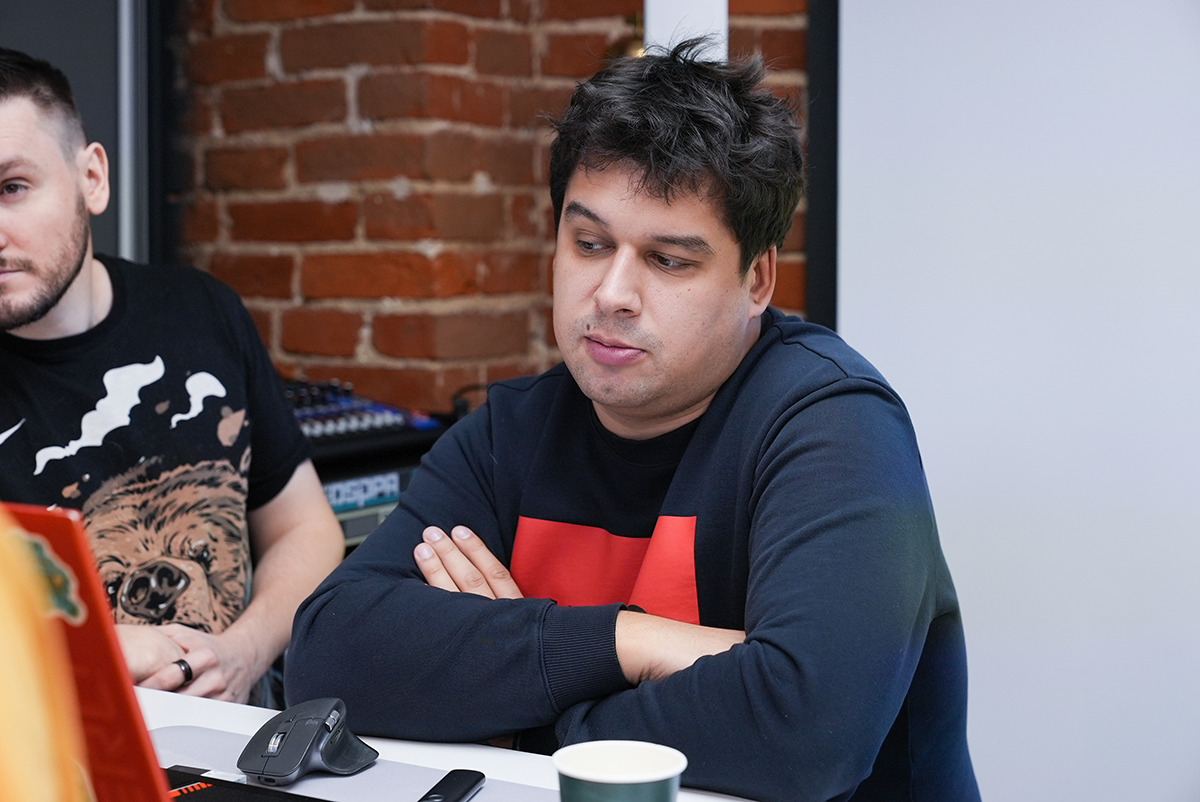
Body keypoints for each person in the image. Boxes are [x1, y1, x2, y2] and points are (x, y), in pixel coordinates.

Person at [286, 39, 980, 801]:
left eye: (668, 260)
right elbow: (328, 660)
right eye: (589, 244)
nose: (612, 294)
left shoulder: (832, 425)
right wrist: (635, 640)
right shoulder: (513, 431)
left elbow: (806, 729)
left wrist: (510, 711)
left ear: (757, 280)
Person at [0, 46, 344, 706]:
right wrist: (96, 647)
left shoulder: (201, 311)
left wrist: (243, 653)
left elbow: (305, 528)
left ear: (92, 178)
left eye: (12, 187)